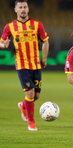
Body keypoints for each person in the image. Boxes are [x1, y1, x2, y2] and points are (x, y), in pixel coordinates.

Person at [0, 0, 49, 131]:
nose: (23, 9)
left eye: (25, 7)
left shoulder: (37, 24)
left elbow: (45, 41)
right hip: (22, 65)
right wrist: (3, 45)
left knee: (36, 96)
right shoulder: (9, 26)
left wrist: (43, 59)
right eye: (20, 7)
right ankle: (31, 123)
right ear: (15, 10)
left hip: (36, 64)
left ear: (28, 9)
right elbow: (2, 41)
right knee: (31, 92)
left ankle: (23, 105)